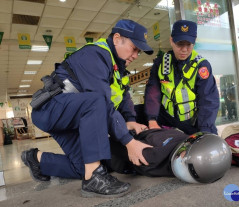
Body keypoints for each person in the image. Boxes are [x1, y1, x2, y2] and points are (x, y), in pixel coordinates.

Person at [21, 19, 154, 198]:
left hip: (71, 115)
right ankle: (94, 179)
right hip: (51, 108)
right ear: (116, 38)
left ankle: (36, 159)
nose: (136, 55)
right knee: (96, 101)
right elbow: (101, 103)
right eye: (134, 48)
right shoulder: (95, 55)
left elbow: (123, 97)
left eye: (139, 51)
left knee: (82, 167)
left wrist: (130, 120)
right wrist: (129, 142)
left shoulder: (118, 68)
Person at [143, 20, 219, 135]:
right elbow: (153, 93)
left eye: (188, 45)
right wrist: (152, 119)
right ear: (171, 40)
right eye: (180, 44)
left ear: (194, 42)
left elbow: (208, 100)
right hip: (168, 120)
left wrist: (204, 131)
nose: (184, 50)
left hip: (195, 123)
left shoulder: (202, 66)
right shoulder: (160, 63)